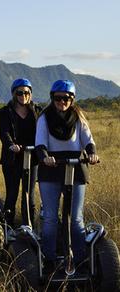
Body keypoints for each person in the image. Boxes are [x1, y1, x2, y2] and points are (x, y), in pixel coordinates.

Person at [35, 80, 98, 273]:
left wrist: (92, 153)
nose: (62, 101)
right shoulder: (44, 118)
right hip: (51, 169)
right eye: (58, 98)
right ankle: (49, 260)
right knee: (51, 218)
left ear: (72, 99)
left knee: (76, 218)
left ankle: (80, 260)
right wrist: (44, 157)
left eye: (66, 98)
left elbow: (88, 140)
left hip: (76, 167)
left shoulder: (79, 117)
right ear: (52, 98)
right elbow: (40, 142)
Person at [0, 78, 42, 227]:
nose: (24, 95)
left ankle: (29, 227)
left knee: (29, 197)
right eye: (20, 92)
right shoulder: (6, 113)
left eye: (27, 92)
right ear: (14, 94)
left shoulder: (37, 111)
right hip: (12, 159)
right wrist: (11, 145)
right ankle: (7, 227)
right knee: (12, 194)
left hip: (32, 158)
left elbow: (42, 132)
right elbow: (4, 133)